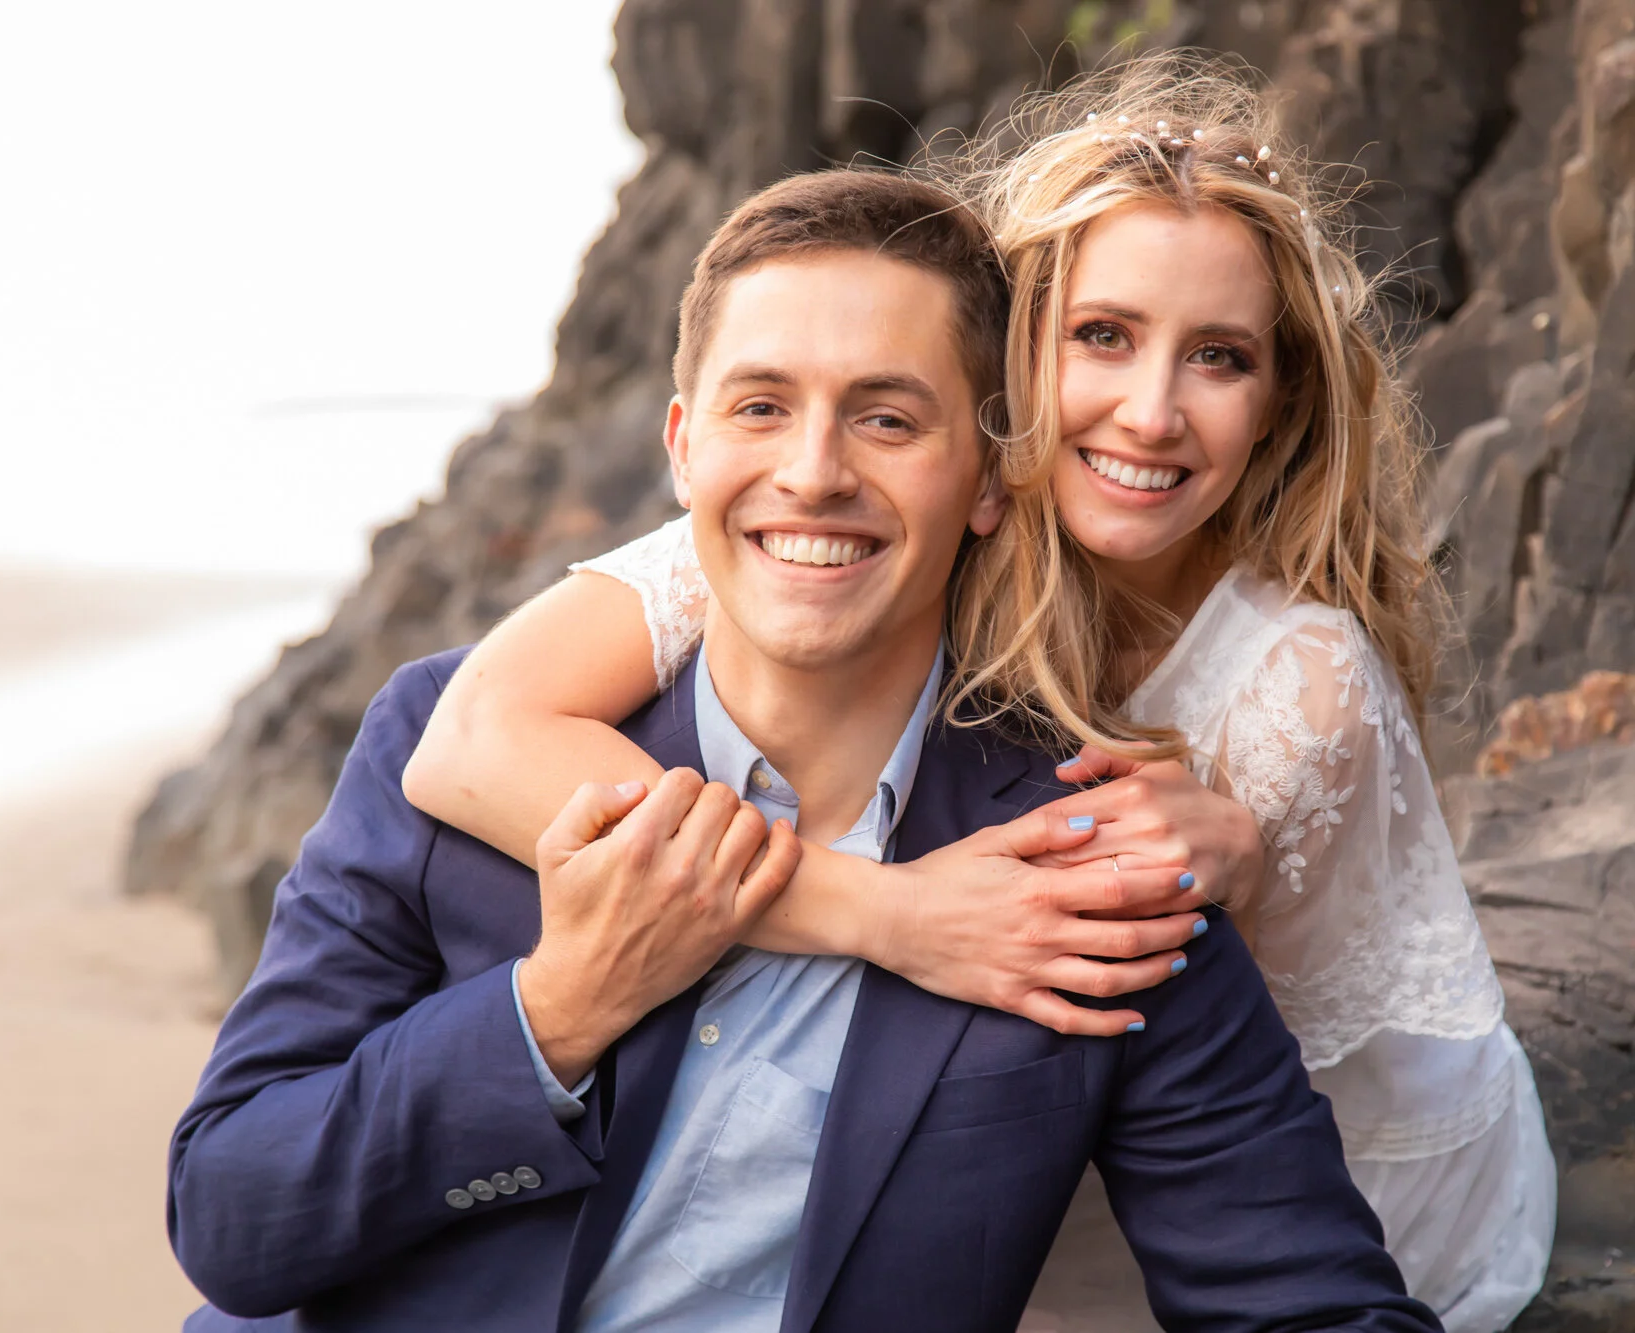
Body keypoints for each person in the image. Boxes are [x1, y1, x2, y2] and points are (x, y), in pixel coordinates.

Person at [167, 166, 1438, 1331]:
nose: (812, 472)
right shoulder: (455, 746)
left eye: (887, 420)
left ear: (993, 479)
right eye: (760, 407)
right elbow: (231, 1215)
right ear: (683, 448)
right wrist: (557, 1011)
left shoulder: (1083, 869)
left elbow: (1309, 1303)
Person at [404, 56, 1555, 1333]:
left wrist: (1248, 852)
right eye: (1101, 336)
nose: (1151, 411)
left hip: (1315, 1173)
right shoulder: (836, 511)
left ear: (1275, 406)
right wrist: (880, 909)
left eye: (1218, 357)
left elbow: (1140, 1023)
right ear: (1007, 359)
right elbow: (466, 737)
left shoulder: (1294, 679)